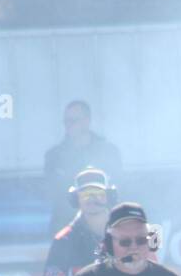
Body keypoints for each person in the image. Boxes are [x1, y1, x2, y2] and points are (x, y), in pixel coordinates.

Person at [44, 100, 123, 236]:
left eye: (73, 120)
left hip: (101, 227)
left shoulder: (108, 152)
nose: (68, 125)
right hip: (67, 227)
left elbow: (118, 187)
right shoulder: (54, 157)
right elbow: (53, 194)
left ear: (87, 121)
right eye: (66, 121)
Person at [41, 168, 114, 276]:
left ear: (109, 196)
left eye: (99, 194)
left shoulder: (128, 235)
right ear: (75, 199)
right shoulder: (63, 240)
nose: (93, 199)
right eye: (86, 194)